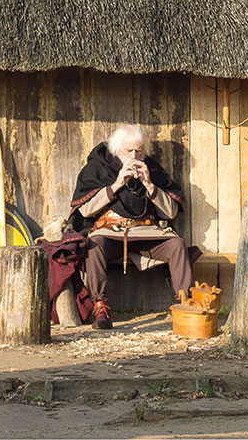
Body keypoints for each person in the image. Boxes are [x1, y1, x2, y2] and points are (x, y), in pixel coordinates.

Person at [69, 123, 192, 329]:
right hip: (110, 233)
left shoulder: (151, 168)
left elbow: (170, 212)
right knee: (94, 244)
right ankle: (100, 306)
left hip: (147, 233)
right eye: (129, 151)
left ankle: (184, 304)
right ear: (117, 149)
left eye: (139, 150)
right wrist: (117, 183)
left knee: (177, 245)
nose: (135, 156)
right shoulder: (98, 167)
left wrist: (149, 185)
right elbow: (85, 210)